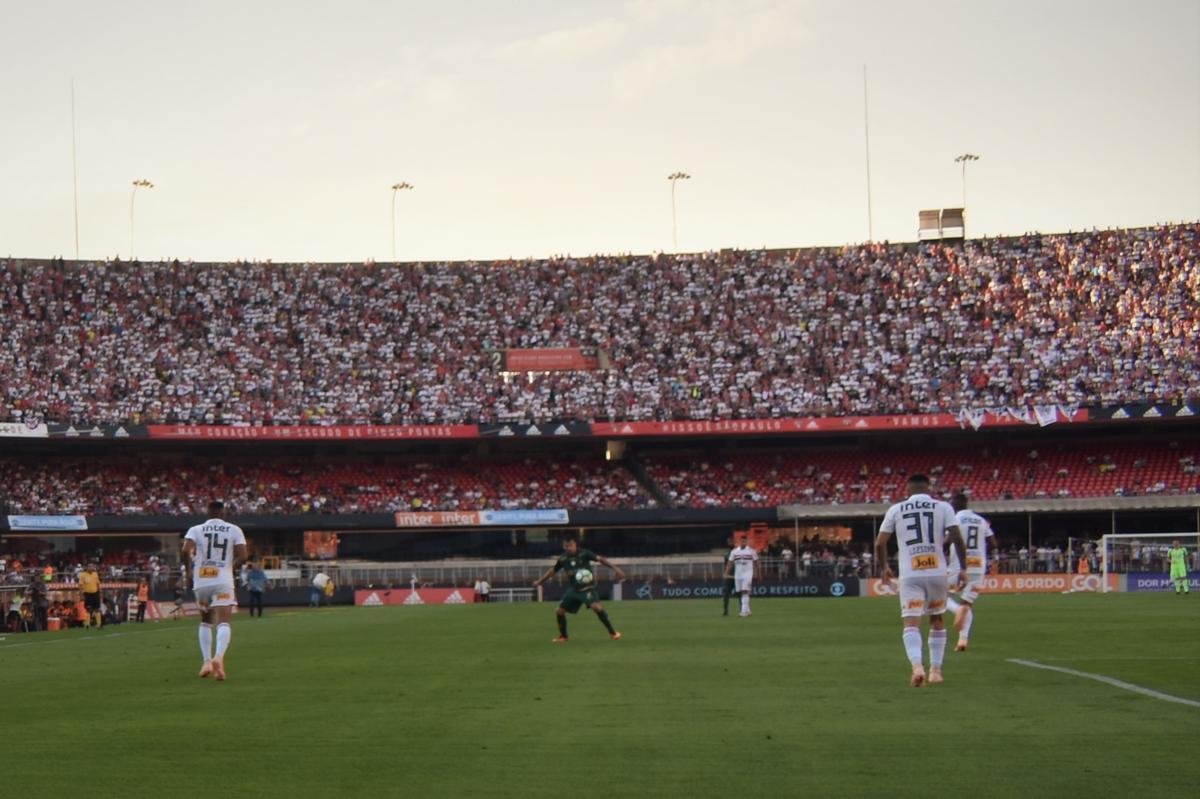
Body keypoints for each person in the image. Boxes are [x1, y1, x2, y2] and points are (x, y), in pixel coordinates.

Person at [875, 474, 967, 687]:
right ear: (929, 489)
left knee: (911, 623)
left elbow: (880, 543)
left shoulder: (896, 509)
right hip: (937, 571)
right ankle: (936, 671)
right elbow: (956, 537)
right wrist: (963, 568)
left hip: (911, 573)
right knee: (937, 620)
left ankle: (917, 667)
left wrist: (884, 567)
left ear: (907, 490)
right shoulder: (943, 507)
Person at [182, 500, 247, 681]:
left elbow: (185, 550)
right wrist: (229, 569)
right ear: (223, 513)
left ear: (208, 512)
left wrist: (189, 572)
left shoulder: (196, 529)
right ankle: (219, 657)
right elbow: (243, 556)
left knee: (205, 621)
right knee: (224, 621)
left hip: (202, 580)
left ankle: (206, 661)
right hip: (223, 580)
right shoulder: (234, 529)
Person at [532, 535, 625, 643]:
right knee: (559, 611)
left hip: (588, 588)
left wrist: (616, 569)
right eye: (566, 546)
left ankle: (613, 633)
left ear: (575, 544)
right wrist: (540, 581)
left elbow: (601, 559)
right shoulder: (563, 559)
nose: (568, 548)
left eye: (570, 545)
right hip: (574, 590)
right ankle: (563, 636)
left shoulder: (585, 553)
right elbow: (553, 571)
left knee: (597, 607)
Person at [945, 492, 995, 652]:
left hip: (958, 565)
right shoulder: (981, 520)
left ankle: (956, 610)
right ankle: (963, 639)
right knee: (966, 603)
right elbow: (993, 543)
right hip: (978, 566)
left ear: (954, 505)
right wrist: (980, 550)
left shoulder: (955, 519)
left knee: (939, 596)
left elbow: (947, 541)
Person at [723, 533, 760, 618]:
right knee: (740, 592)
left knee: (744, 591)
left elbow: (757, 563)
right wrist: (726, 573)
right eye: (742, 541)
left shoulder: (751, 551)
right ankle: (748, 610)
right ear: (740, 541)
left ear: (746, 542)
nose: (743, 542)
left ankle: (743, 612)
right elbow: (730, 563)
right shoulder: (734, 551)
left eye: (744, 541)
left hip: (747, 574)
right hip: (738, 575)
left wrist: (758, 574)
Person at [78, 562, 102, 628]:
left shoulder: (95, 574)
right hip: (87, 594)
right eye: (90, 566)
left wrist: (100, 592)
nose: (91, 568)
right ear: (87, 567)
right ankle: (87, 624)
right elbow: (80, 586)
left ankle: (99, 624)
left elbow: (98, 584)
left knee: (97, 608)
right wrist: (81, 595)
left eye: (92, 566)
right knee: (88, 609)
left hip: (95, 593)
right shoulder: (83, 575)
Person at [720, 534, 737, 616]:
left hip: (737, 576)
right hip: (729, 576)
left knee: (740, 594)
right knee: (726, 593)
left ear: (734, 542)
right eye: (728, 542)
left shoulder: (738, 552)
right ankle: (725, 610)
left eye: (731, 541)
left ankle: (743, 610)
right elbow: (726, 565)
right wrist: (725, 573)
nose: (729, 543)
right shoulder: (727, 553)